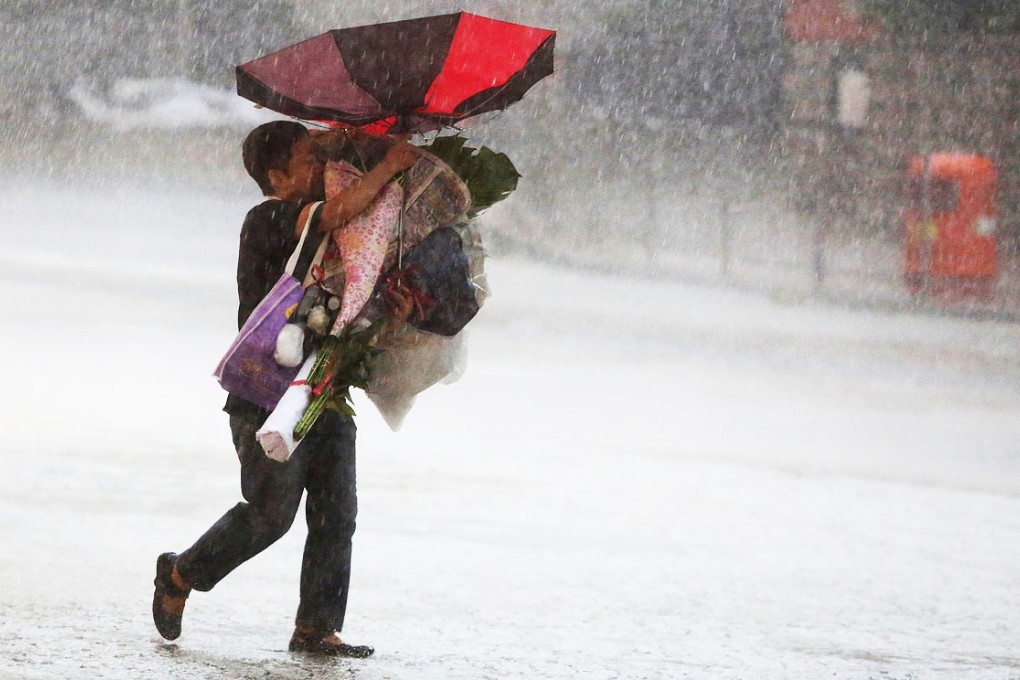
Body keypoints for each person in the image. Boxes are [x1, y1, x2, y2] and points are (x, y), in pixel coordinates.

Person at [152, 120, 418, 657]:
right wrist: (391, 166)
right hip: (265, 392)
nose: (321, 169)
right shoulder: (268, 217)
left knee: (336, 515)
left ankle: (316, 628)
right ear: (277, 176)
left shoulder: (333, 238)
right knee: (271, 514)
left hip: (324, 385)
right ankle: (180, 574)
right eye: (308, 161)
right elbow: (338, 212)